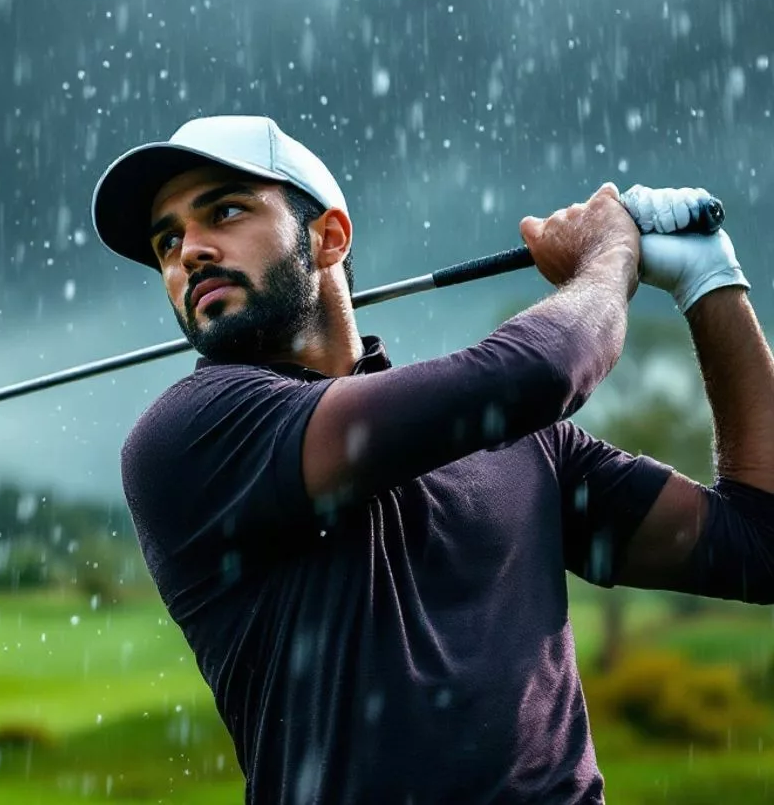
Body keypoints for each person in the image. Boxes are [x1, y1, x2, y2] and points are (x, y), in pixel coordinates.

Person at [90, 115, 774, 804]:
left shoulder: (520, 440)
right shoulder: (189, 433)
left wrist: (710, 281)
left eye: (225, 210)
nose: (191, 253)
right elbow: (538, 371)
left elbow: (759, 540)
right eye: (167, 241)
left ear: (328, 237)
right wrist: (609, 255)